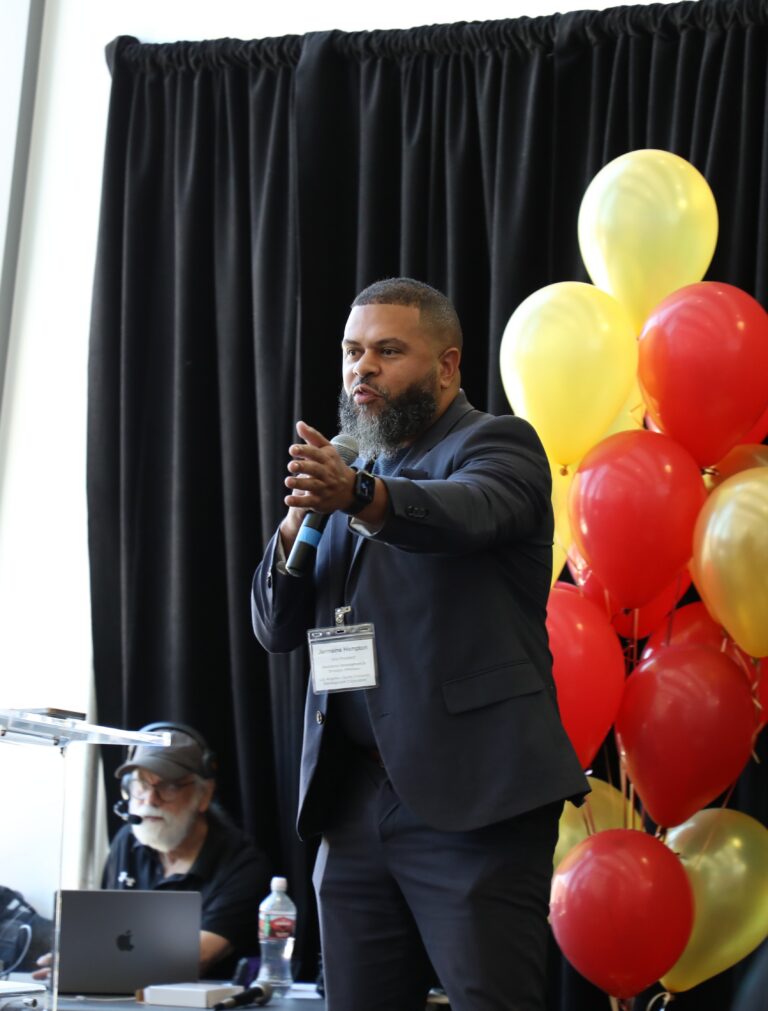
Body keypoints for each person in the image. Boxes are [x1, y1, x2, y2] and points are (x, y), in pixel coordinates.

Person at [251, 277, 589, 1011]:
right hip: (352, 805)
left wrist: (359, 497)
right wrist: (292, 528)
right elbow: (275, 627)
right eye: (351, 351)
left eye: (387, 350)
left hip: (474, 801)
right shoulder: (346, 467)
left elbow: (465, 513)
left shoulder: (496, 444)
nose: (361, 368)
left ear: (446, 365)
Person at [35, 723, 270, 980]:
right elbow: (110, 934)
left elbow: (197, 956)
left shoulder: (243, 866)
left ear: (204, 795)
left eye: (168, 787)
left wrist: (89, 965)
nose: (149, 800)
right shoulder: (127, 841)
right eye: (141, 785)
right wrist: (75, 959)